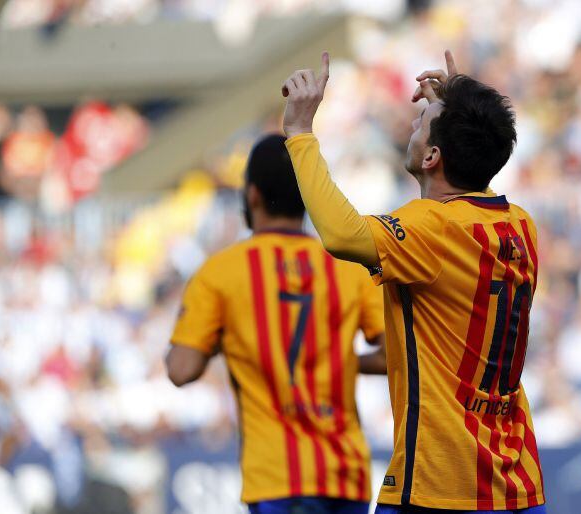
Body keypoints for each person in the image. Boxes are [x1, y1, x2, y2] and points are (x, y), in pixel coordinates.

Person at [280, 52, 546, 513]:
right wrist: (458, 105)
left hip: (440, 486)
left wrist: (300, 133)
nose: (413, 121)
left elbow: (343, 234)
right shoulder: (520, 224)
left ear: (432, 155)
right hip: (515, 482)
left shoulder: (432, 227)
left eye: (422, 120)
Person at [165, 134, 386, 514]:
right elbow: (395, 355)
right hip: (344, 474)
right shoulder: (347, 267)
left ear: (252, 195)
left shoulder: (219, 273)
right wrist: (342, 360)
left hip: (274, 476)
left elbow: (181, 370)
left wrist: (230, 339)